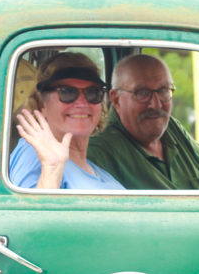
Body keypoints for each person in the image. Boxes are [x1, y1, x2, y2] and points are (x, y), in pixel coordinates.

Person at [87, 54, 199, 191]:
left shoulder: (171, 128)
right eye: (142, 93)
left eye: (163, 90)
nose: (156, 104)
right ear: (116, 99)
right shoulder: (99, 152)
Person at [9, 52, 124, 191]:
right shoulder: (36, 154)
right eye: (67, 92)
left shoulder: (95, 169)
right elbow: (26, 212)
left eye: (93, 92)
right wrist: (52, 169)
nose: (82, 103)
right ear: (42, 103)